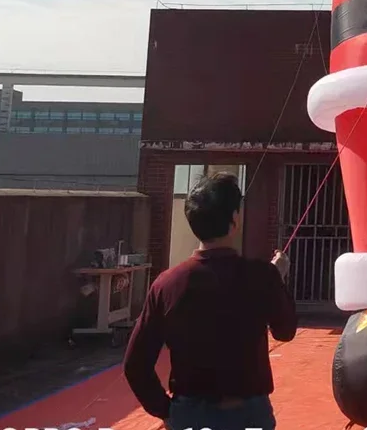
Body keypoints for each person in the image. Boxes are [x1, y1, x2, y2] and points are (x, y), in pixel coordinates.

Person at [123, 171, 297, 430]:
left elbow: (135, 365)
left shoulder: (167, 284)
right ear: (234, 220)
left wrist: (168, 412)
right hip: (250, 414)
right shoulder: (263, 276)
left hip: (189, 414)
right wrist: (278, 279)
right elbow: (285, 331)